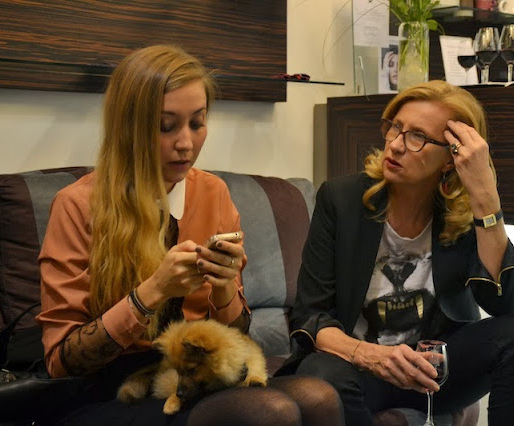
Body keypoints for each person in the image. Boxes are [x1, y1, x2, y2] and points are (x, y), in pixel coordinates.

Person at [36, 44, 344, 426]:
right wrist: (151, 293)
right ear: (129, 128)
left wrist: (224, 286)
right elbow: (63, 360)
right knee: (271, 411)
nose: (185, 143)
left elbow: (235, 335)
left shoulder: (212, 193)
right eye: (166, 127)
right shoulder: (77, 205)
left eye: (197, 123)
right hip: (116, 389)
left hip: (200, 373)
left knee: (319, 397)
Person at [278, 80, 514, 426]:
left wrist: (485, 196)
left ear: (450, 158)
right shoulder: (340, 199)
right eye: (396, 127)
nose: (395, 145)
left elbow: (502, 304)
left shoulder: (462, 212)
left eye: (417, 137)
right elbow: (310, 315)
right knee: (322, 373)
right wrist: (371, 356)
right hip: (359, 368)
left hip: (433, 372)